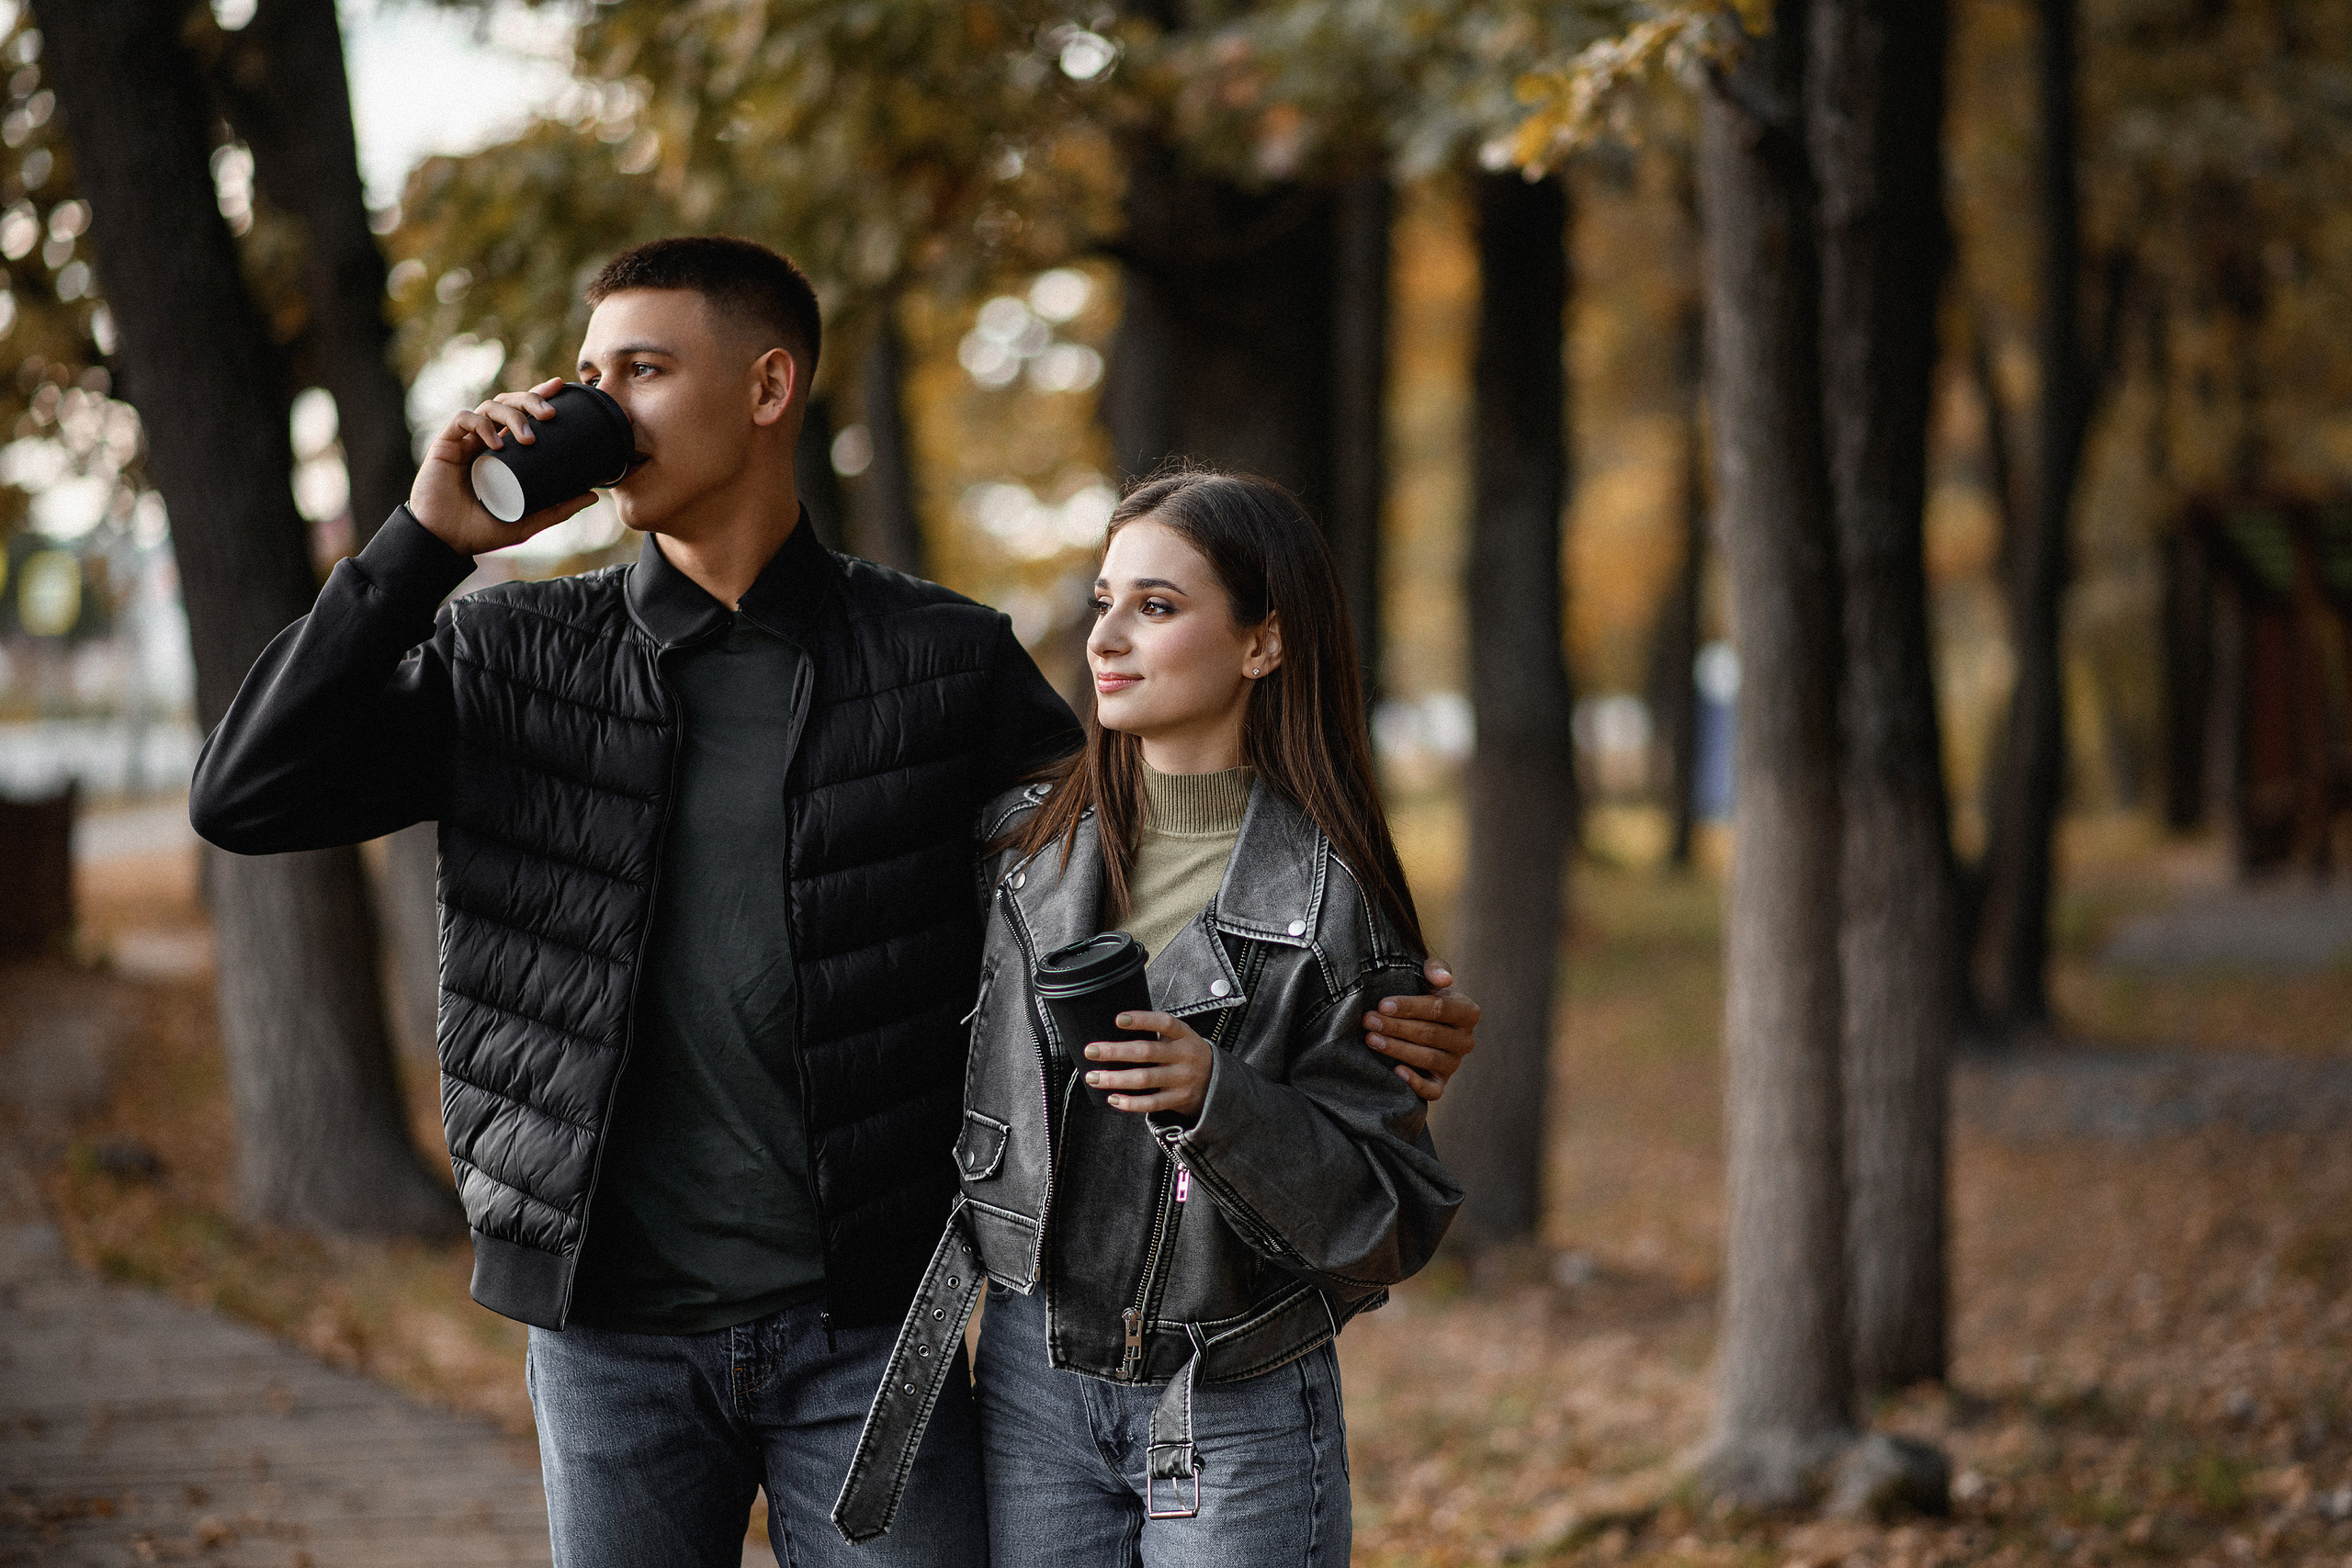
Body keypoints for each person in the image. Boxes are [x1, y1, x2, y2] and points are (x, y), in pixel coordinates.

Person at [187, 235, 1480, 1567]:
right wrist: (420, 547)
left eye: (641, 370)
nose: (595, 407)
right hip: (606, 1331)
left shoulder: (942, 660)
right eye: (587, 373)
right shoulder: (511, 653)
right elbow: (245, 794)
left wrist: (1358, 1014)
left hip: (871, 1330)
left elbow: (1134, 846)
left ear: (768, 387)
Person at [834, 471, 1462, 1567]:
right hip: (1030, 1376)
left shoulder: (1332, 906)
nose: (1106, 638)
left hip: (1233, 1393)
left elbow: (1385, 1217)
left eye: (1157, 606)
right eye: (1103, 601)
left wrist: (1220, 1101)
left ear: (1263, 642)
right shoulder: (1016, 851)